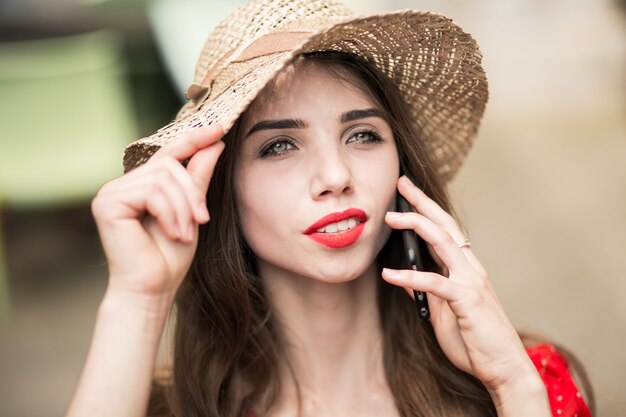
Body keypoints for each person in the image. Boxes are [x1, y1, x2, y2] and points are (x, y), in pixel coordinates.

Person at [66, 0, 594, 416]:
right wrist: (138, 300)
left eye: (362, 135)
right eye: (278, 146)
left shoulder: (526, 381)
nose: (336, 177)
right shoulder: (160, 409)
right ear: (217, 186)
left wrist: (512, 387)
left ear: (401, 168)